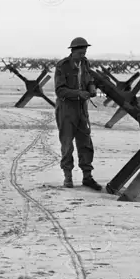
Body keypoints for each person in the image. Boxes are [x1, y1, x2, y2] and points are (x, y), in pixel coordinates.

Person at [53, 37, 102, 191]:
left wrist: (92, 87)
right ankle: (68, 177)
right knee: (67, 144)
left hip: (82, 110)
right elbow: (59, 90)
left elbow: (89, 79)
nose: (83, 55)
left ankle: (87, 177)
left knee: (86, 143)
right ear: (72, 51)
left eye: (85, 52)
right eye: (80, 52)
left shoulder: (85, 63)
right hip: (66, 110)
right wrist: (78, 93)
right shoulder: (62, 66)